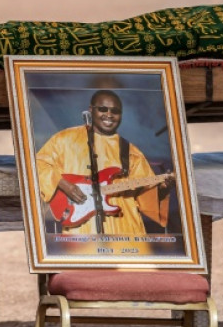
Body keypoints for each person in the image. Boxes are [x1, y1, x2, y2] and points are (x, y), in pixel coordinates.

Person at [35, 89, 173, 235]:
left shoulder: (131, 152)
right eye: (102, 109)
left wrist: (163, 189)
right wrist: (64, 184)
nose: (109, 115)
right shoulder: (64, 139)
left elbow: (146, 197)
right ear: (91, 110)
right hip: (81, 232)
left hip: (125, 231)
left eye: (115, 111)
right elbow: (37, 166)